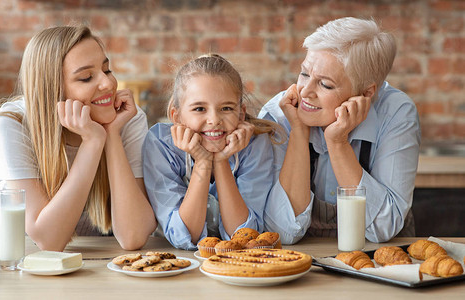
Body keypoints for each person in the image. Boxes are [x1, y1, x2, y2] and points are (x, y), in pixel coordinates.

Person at [0, 25, 157, 251]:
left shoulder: (125, 117)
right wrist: (92, 143)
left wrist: (111, 135)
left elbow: (134, 236)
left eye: (107, 70)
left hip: (81, 258)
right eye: (86, 77)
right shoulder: (12, 123)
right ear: (53, 90)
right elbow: (49, 240)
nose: (109, 84)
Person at [259, 17, 421, 244]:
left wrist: (337, 143)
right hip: (303, 263)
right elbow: (282, 232)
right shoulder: (278, 115)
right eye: (305, 74)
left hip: (378, 262)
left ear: (365, 93)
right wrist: (298, 131)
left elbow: (384, 228)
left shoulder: (396, 114)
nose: (305, 92)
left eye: (325, 84)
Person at [143, 54, 282, 250]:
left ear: (241, 113)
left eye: (226, 108)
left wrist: (221, 160)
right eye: (200, 109)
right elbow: (185, 236)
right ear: (177, 116)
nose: (214, 120)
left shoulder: (255, 144)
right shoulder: (160, 144)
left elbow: (241, 236)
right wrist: (202, 161)